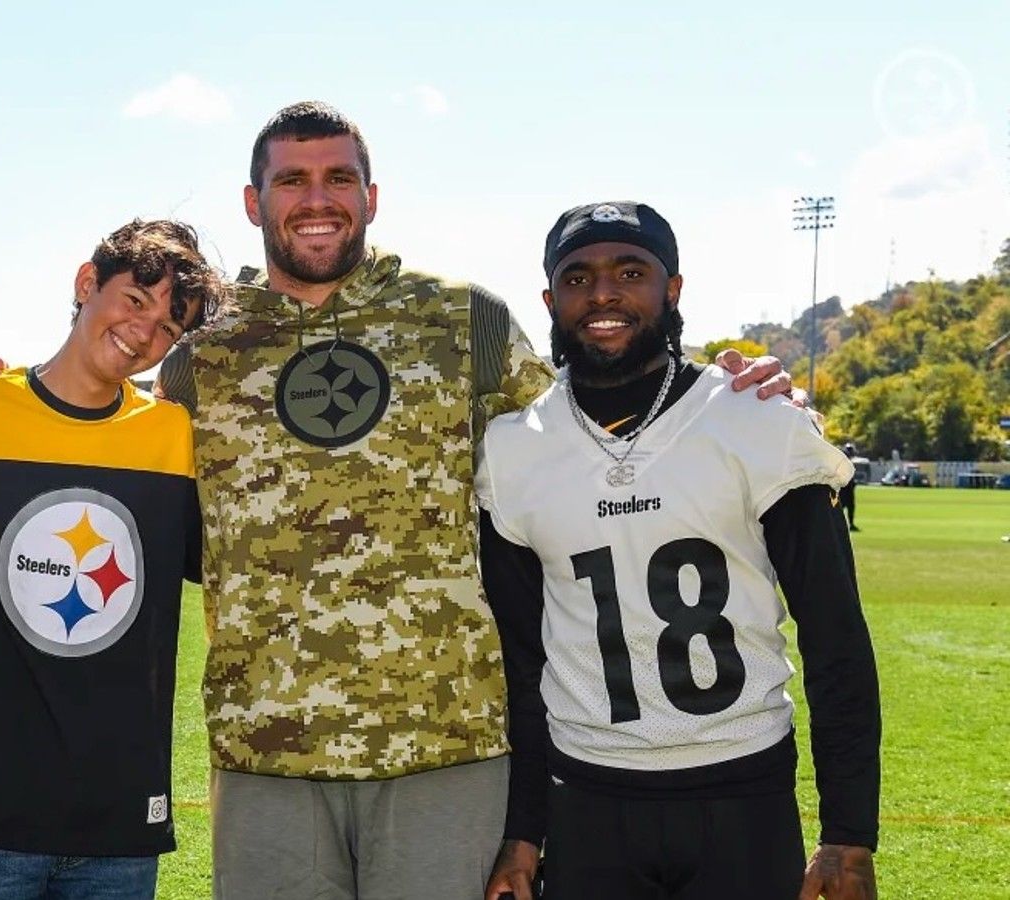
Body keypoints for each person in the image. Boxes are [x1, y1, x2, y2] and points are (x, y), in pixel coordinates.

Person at [147, 102, 797, 899]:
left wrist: (723, 390)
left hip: (448, 746)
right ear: (254, 203)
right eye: (292, 180)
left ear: (372, 196)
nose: (318, 200)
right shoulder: (200, 353)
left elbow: (588, 430)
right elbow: (117, 461)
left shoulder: (463, 320)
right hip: (266, 752)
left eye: (339, 178)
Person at [476, 202, 880, 900]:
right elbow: (522, 664)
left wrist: (848, 834)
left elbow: (835, 636)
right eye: (578, 278)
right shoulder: (514, 450)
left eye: (630, 272)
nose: (603, 294)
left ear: (673, 288)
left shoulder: (754, 419)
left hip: (743, 790)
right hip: (588, 798)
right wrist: (523, 832)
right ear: (550, 299)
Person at [0, 219, 219, 900]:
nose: (144, 331)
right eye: (136, 300)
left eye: (169, 326)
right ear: (86, 283)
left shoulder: (175, 438)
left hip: (120, 827)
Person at [840, 442, 860, 531]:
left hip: (848, 488)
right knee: (842, 507)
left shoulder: (847, 462)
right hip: (844, 488)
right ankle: (845, 524)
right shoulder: (843, 462)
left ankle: (850, 524)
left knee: (850, 506)